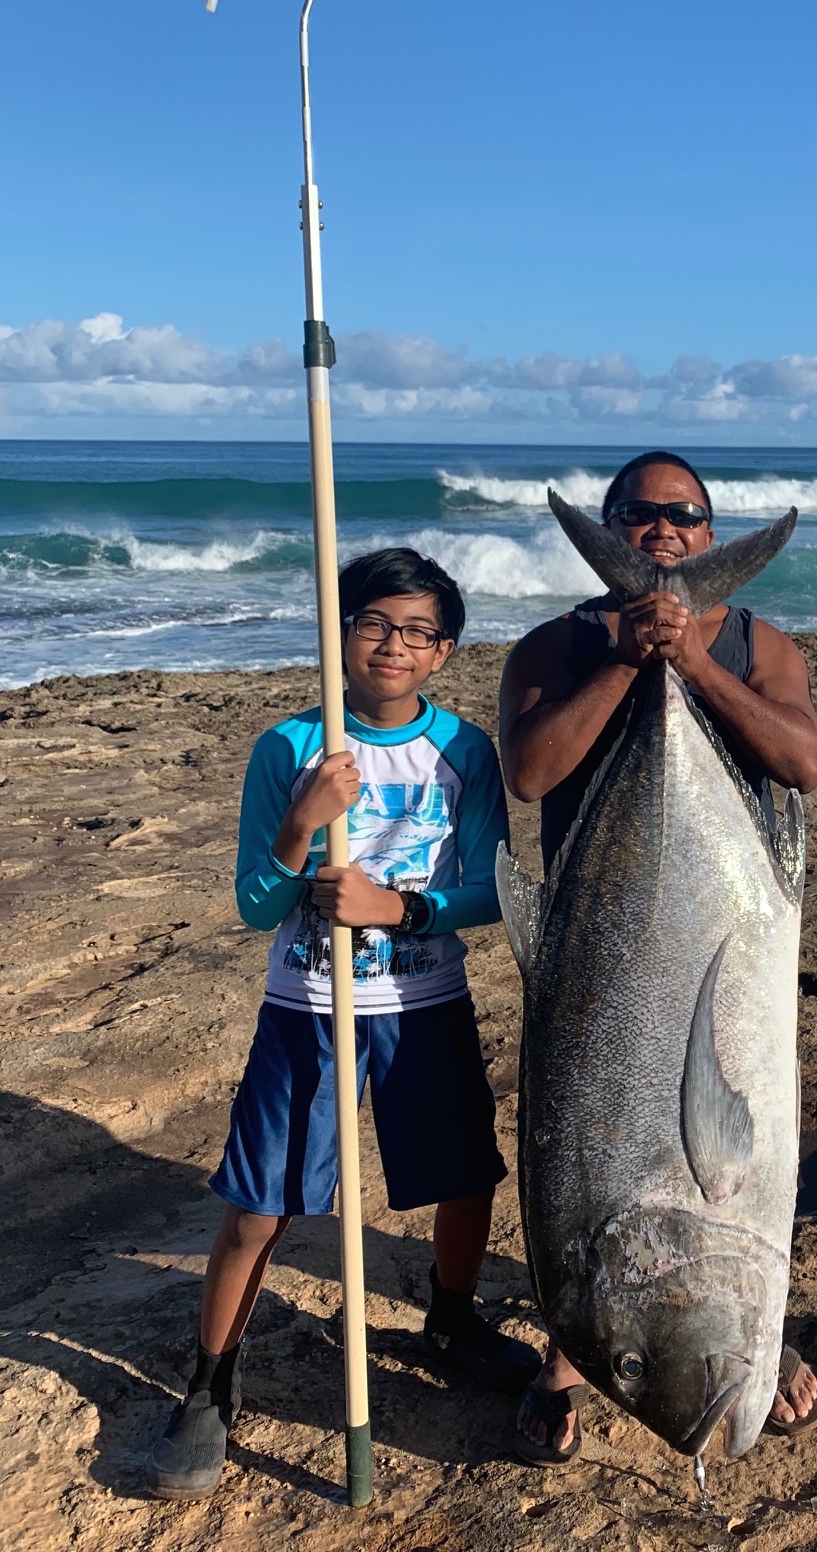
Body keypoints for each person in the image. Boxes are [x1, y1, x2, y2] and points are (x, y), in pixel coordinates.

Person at [147, 547, 539, 1501]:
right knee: (262, 1200)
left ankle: (450, 1321)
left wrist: (396, 908)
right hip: (307, 1006)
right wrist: (302, 821)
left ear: (444, 651)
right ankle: (209, 1384)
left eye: (416, 633)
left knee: (461, 1174)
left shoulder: (466, 751)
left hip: (423, 1000)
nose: (392, 646)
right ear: (340, 631)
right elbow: (253, 901)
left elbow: (486, 891)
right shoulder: (291, 747)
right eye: (373, 625)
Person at [499, 449, 817, 1465]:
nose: (661, 532)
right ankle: (570, 1354)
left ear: (708, 529)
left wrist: (689, 661)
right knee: (609, 1143)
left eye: (682, 516)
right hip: (599, 936)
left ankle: (762, 1323)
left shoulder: (760, 642)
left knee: (748, 1130)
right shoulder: (551, 647)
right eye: (636, 516)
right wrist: (628, 660)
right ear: (610, 527)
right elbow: (530, 769)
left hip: (728, 904)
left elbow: (803, 763)